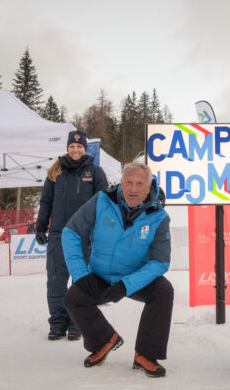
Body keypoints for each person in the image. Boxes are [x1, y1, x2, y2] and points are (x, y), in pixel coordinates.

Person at [62, 161, 173, 378]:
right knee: (72, 297)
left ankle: (145, 354)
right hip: (100, 276)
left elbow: (160, 262)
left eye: (140, 183)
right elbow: (71, 232)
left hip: (134, 278)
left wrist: (126, 285)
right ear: (120, 183)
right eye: (128, 182)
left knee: (163, 291)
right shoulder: (102, 201)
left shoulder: (159, 217)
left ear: (149, 185)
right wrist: (80, 274)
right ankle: (103, 340)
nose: (133, 189)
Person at [35, 130, 108, 342]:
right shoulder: (55, 173)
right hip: (58, 234)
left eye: (79, 147)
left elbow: (103, 204)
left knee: (81, 280)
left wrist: (102, 232)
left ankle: (77, 323)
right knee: (56, 280)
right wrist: (41, 227)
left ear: (85, 149)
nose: (75, 150)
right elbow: (46, 202)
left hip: (83, 236)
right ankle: (58, 323)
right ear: (67, 148)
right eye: (71, 147)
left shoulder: (95, 172)